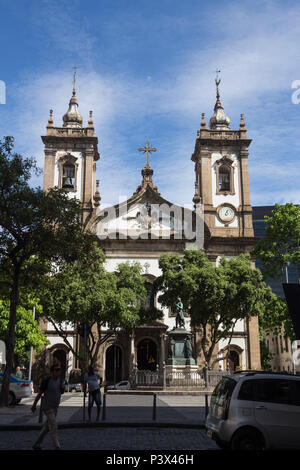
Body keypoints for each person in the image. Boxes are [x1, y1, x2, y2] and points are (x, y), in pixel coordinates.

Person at [31, 365, 65, 450]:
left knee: (47, 427)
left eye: (59, 370)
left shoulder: (60, 381)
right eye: (57, 370)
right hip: (47, 407)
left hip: (55, 407)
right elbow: (39, 394)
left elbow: (61, 392)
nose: (58, 372)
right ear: (52, 371)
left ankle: (36, 444)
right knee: (53, 425)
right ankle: (57, 446)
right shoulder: (46, 381)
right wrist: (34, 405)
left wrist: (63, 388)